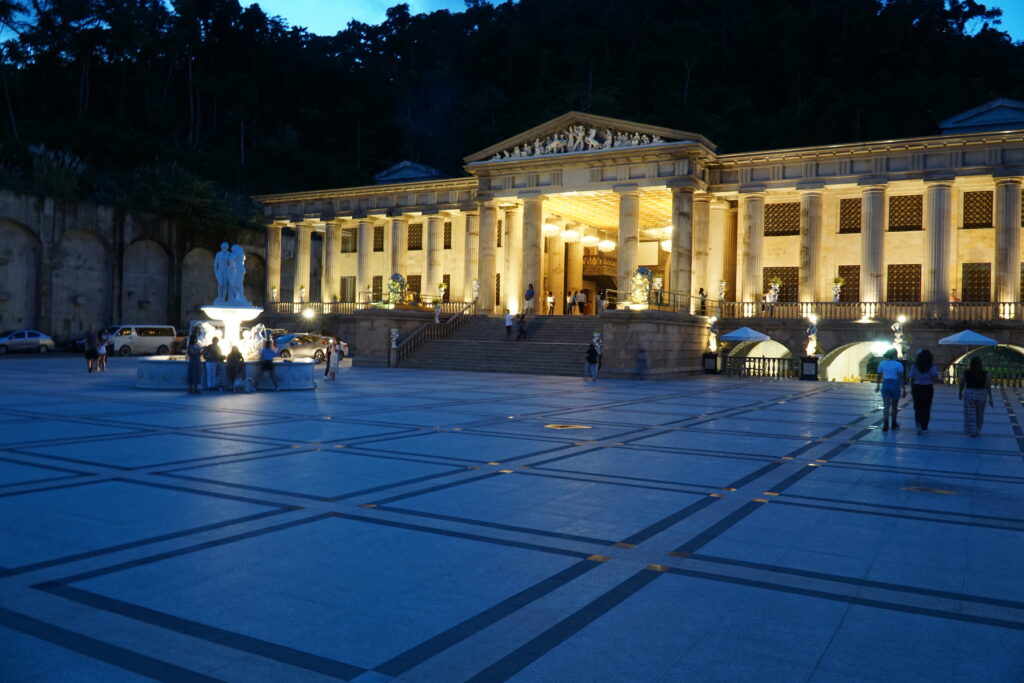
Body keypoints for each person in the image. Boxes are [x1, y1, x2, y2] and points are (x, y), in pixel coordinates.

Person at [959, 356, 993, 437]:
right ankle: (978, 429)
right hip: (981, 394)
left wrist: (960, 392)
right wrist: (990, 397)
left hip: (969, 393)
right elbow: (988, 386)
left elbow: (962, 383)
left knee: (970, 413)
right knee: (980, 413)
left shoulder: (966, 373)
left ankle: (972, 430)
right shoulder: (986, 373)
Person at [908, 349, 939, 434]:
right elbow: (935, 378)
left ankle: (918, 424)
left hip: (917, 387)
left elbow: (911, 378)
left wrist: (912, 389)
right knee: (926, 407)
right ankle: (924, 426)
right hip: (927, 387)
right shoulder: (931, 366)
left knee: (917, 407)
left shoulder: (914, 366)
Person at [875, 349, 906, 431]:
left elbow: (879, 376)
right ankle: (893, 423)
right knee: (894, 406)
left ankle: (885, 424)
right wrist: (904, 389)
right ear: (895, 355)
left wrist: (878, 386)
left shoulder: (882, 363)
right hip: (895, 385)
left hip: (885, 384)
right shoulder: (899, 364)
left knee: (886, 406)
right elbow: (901, 378)